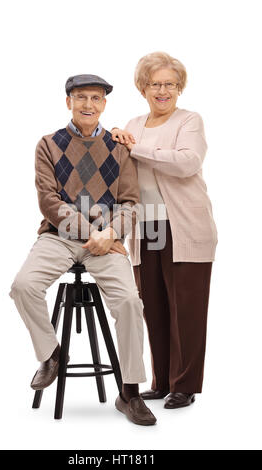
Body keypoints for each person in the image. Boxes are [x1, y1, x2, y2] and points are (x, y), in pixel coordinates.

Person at [9, 74, 156, 425]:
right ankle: (51, 354)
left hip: (107, 241)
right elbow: (48, 201)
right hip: (59, 236)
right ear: (68, 102)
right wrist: (94, 232)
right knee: (23, 286)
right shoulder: (48, 144)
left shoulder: (120, 148)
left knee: (130, 302)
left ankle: (130, 392)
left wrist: (110, 234)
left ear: (104, 104)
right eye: (80, 98)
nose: (88, 104)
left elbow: (131, 203)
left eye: (95, 98)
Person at [111, 52, 218, 409]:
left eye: (170, 84)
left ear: (179, 88)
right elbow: (122, 166)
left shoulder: (189, 121)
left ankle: (184, 385)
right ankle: (161, 381)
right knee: (153, 304)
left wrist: (134, 148)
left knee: (186, 306)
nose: (163, 90)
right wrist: (115, 142)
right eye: (155, 84)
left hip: (185, 223)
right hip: (148, 222)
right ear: (143, 88)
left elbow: (188, 162)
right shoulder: (135, 122)